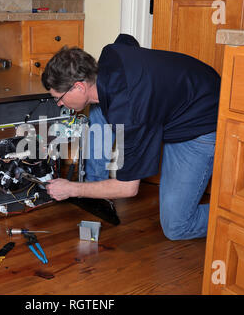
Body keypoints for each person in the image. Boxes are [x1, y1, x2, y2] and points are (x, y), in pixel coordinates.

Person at [42, 34, 220, 240]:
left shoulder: (131, 114)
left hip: (202, 122)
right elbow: (127, 39)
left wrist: (72, 189)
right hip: (195, 84)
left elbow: (127, 188)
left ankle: (238, 216)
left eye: (59, 98)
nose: (59, 104)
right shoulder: (111, 53)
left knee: (177, 227)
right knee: (99, 110)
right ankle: (96, 188)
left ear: (79, 87)